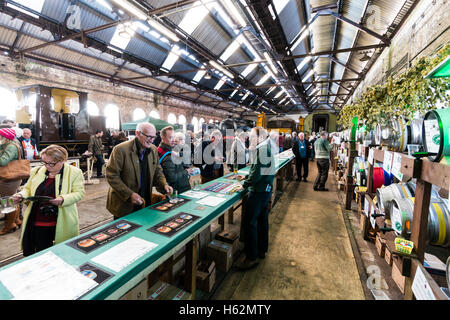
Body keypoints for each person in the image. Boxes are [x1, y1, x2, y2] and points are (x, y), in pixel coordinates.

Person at [12, 145, 85, 256]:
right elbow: (27, 189)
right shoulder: (37, 171)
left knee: (60, 253)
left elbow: (79, 193)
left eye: (51, 163)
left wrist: (62, 199)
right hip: (36, 219)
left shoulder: (75, 172)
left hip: (59, 220)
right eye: (44, 162)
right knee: (37, 252)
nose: (47, 166)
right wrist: (20, 195)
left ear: (62, 161)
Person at [106, 122, 172, 219]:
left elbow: (157, 171)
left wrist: (164, 184)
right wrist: (129, 195)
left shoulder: (153, 150)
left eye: (154, 137)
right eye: (149, 137)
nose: (152, 140)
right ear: (138, 133)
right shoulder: (120, 150)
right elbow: (111, 175)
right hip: (124, 204)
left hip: (145, 200)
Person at [236, 126, 275, 271]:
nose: (250, 138)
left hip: (258, 192)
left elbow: (257, 174)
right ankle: (261, 250)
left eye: (252, 136)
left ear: (260, 137)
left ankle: (251, 258)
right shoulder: (265, 148)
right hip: (265, 190)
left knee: (249, 223)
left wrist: (244, 184)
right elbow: (258, 170)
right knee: (261, 221)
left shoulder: (262, 150)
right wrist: (247, 176)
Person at [0, 128, 23, 235]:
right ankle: (16, 220)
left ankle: (9, 225)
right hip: (13, 178)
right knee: (13, 200)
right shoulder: (14, 144)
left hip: (9, 179)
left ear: (4, 137)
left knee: (8, 201)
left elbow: (3, 161)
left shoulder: (11, 147)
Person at [157, 126, 192, 194]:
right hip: (176, 190)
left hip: (177, 188)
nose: (173, 140)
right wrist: (186, 172)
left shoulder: (168, 150)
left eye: (173, 137)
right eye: (170, 137)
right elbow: (171, 178)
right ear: (163, 138)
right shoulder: (168, 156)